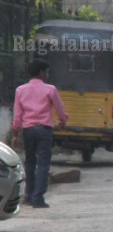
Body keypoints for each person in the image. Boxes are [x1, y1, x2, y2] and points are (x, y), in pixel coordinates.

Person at [11, 59, 69, 208]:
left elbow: (18, 115)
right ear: (41, 73)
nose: (48, 74)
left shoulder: (20, 90)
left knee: (29, 162)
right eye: (47, 72)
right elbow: (60, 109)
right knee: (43, 163)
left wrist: (15, 134)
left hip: (28, 130)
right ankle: (38, 198)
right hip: (44, 130)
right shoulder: (50, 89)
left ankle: (29, 195)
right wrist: (63, 121)